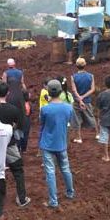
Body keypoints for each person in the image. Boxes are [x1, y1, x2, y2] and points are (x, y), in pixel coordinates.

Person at [39, 80, 75, 208]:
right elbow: (69, 123)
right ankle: (70, 192)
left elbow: (42, 125)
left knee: (50, 172)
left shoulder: (45, 109)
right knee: (65, 168)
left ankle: (53, 201)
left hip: (47, 143)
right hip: (61, 142)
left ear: (48, 91)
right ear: (60, 91)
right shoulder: (68, 107)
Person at [0, 82, 31, 207]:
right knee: (18, 171)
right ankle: (21, 198)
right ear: (8, 93)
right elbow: (20, 124)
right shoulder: (13, 109)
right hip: (9, 144)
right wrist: (11, 128)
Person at [70, 58, 99, 143]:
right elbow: (92, 89)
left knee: (77, 119)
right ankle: (97, 134)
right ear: (85, 65)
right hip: (87, 101)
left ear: (76, 66)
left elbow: (74, 90)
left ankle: (78, 137)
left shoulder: (73, 77)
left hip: (76, 102)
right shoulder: (91, 76)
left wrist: (79, 99)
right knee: (91, 116)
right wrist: (83, 97)